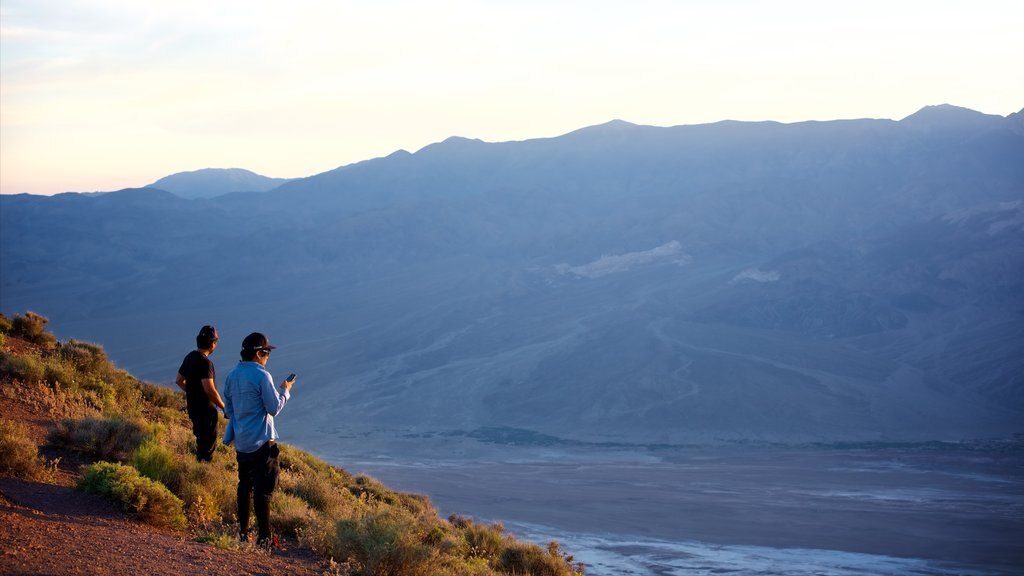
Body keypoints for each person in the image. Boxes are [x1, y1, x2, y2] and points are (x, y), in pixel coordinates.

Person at [221, 332, 296, 550]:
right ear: (258, 353)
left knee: (245, 487)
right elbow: (273, 407)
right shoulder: (262, 376)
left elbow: (228, 410)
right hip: (262, 442)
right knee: (264, 492)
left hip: (242, 443)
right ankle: (265, 539)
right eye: (266, 353)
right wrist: (286, 390)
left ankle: (243, 535)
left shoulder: (231, 376)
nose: (267, 357)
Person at [175, 325, 225, 462]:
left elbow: (179, 380)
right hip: (206, 411)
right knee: (207, 447)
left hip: (193, 408)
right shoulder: (206, 363)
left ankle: (199, 467)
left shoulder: (190, 357)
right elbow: (209, 390)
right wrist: (223, 407)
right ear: (213, 344)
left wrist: (192, 393)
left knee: (200, 442)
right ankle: (203, 472)